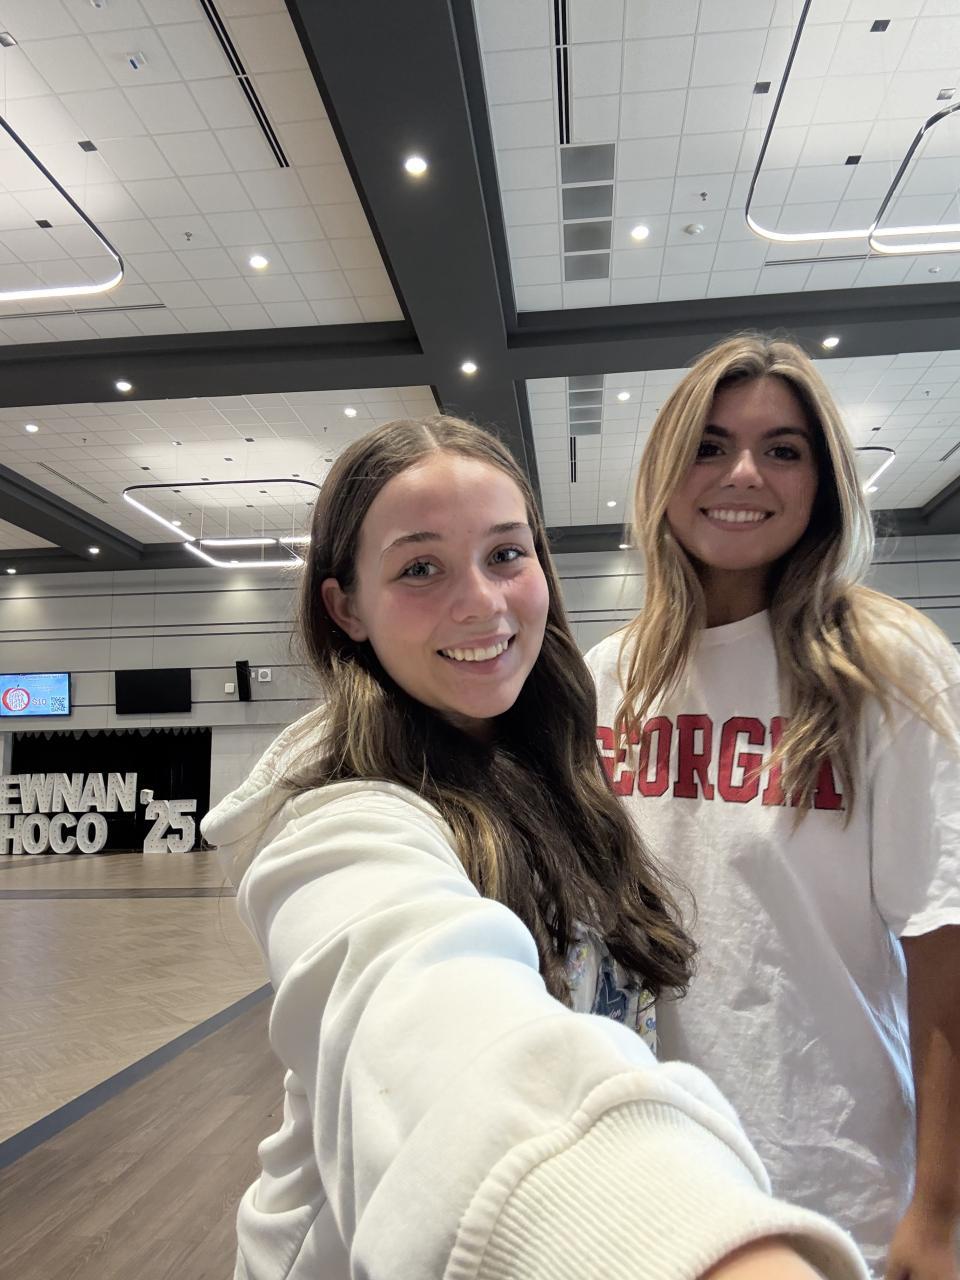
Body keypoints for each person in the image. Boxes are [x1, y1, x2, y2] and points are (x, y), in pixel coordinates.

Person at [202, 415, 867, 1280]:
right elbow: (438, 1031)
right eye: (420, 568)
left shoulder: (558, 765)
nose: (482, 602)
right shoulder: (340, 823)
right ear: (346, 608)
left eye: (506, 554)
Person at [585, 336, 960, 1280]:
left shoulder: (886, 669)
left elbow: (945, 946)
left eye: (782, 449)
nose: (743, 472)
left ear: (822, 483)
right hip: (649, 1173)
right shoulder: (610, 678)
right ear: (665, 474)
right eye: (709, 446)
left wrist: (940, 1211)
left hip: (830, 1180)